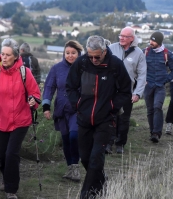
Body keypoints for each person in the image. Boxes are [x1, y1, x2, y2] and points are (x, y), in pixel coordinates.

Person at [66, 35, 131, 198]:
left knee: (96, 158)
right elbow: (70, 87)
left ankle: (86, 194)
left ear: (104, 51)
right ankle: (102, 184)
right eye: (90, 56)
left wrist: (111, 106)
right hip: (84, 119)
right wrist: (77, 105)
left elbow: (125, 91)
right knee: (85, 159)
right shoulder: (81, 63)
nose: (94, 59)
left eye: (97, 56)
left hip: (106, 119)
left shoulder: (115, 65)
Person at [0, 38, 41, 199]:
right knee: (3, 155)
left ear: (15, 56)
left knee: (12, 153)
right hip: (0, 120)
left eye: (7, 55)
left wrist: (34, 100)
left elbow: (35, 93)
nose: (3, 57)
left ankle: (11, 190)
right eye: (2, 54)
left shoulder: (25, 72)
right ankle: (7, 179)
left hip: (21, 119)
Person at [42, 40, 83, 181]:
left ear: (79, 54)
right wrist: (46, 106)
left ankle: (76, 167)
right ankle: (70, 168)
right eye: (67, 53)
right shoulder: (56, 68)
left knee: (74, 136)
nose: (70, 56)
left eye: (73, 53)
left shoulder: (84, 67)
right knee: (65, 139)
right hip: (61, 109)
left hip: (77, 109)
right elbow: (49, 87)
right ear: (63, 54)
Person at [108, 26, 147, 154]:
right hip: (110, 90)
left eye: (125, 36)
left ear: (132, 38)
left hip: (127, 91)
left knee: (124, 118)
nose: (121, 38)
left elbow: (142, 75)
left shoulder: (139, 53)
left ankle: (120, 144)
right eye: (120, 35)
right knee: (110, 117)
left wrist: (137, 93)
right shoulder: (111, 48)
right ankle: (108, 143)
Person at [144, 31, 173, 143]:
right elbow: (140, 67)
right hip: (148, 86)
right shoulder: (146, 52)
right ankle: (152, 132)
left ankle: (157, 133)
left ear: (159, 42)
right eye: (150, 40)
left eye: (153, 41)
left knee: (157, 107)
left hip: (160, 86)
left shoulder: (167, 53)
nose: (151, 42)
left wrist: (166, 80)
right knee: (150, 110)